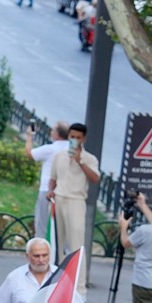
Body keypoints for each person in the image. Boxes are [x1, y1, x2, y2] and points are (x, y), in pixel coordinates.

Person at [48, 123, 98, 293]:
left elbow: (95, 178)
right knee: (59, 242)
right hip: (60, 197)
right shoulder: (59, 155)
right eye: (72, 137)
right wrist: (51, 192)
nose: (74, 140)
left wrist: (80, 161)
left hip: (77, 200)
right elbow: (53, 178)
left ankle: (79, 285)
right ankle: (59, 281)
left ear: (84, 139)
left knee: (77, 243)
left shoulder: (89, 158)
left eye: (78, 137)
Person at [22, 122, 70, 239]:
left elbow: (29, 154)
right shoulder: (72, 149)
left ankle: (41, 247)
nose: (51, 132)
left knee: (41, 224)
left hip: (47, 190)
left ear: (57, 134)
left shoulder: (50, 149)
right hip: (66, 192)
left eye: (53, 130)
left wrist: (29, 136)